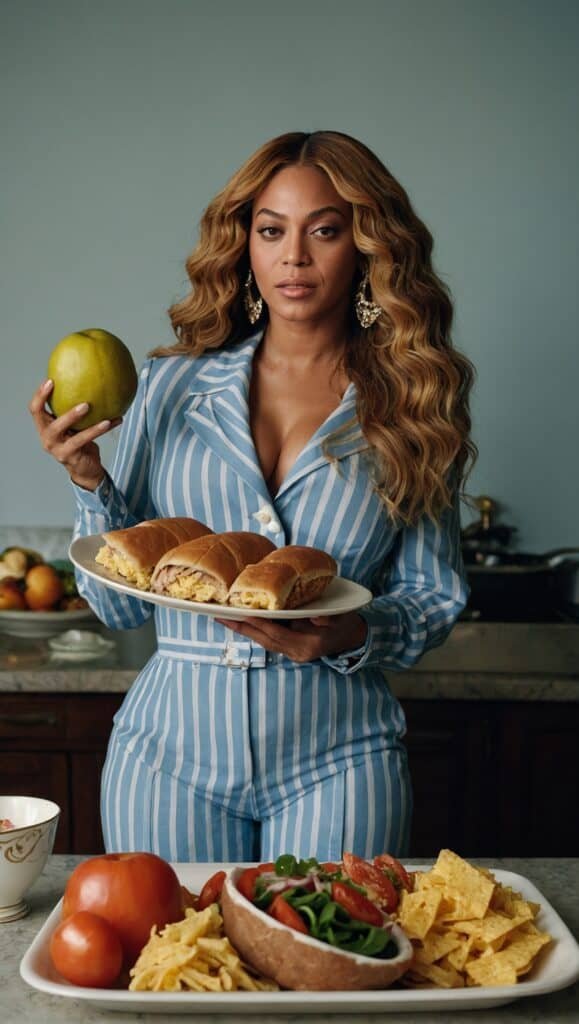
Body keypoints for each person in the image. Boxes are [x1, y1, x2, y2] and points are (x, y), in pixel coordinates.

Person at [29, 130, 476, 864]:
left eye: (323, 232)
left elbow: (432, 597)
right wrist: (89, 483)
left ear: (365, 248)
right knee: (178, 968)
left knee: (328, 969)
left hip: (339, 758)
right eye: (271, 231)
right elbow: (119, 606)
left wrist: (350, 634)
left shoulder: (414, 405)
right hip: (167, 756)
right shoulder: (170, 386)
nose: (293, 257)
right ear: (245, 247)